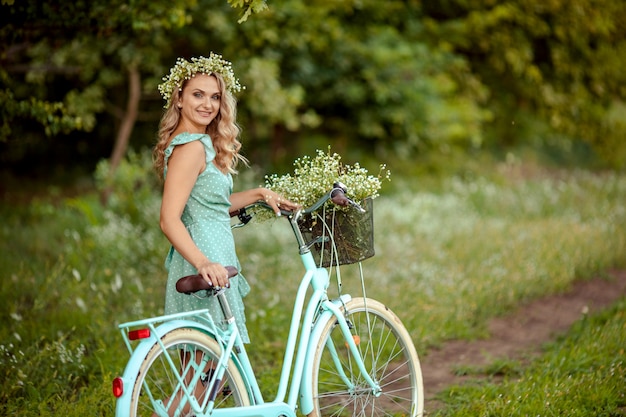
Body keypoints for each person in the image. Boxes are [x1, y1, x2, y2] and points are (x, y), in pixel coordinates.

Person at [153, 53, 298, 345]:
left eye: (215, 97)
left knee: (207, 372)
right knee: (201, 368)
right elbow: (169, 220)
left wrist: (259, 193)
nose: (208, 104)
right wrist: (204, 263)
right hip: (203, 256)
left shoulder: (198, 145)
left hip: (214, 252)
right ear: (179, 99)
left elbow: (209, 207)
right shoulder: (190, 148)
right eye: (198, 95)